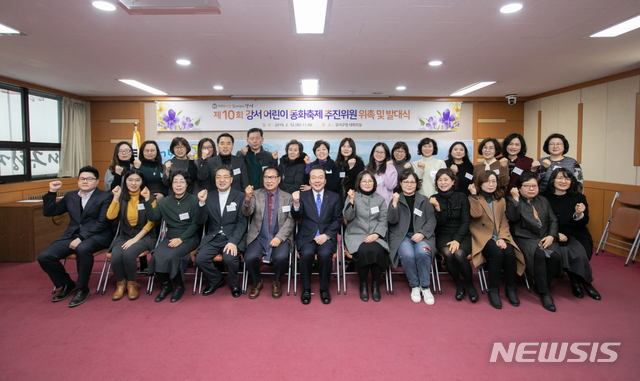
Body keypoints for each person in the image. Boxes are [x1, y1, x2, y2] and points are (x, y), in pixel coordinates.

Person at [38, 166, 114, 308]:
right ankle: (67, 284)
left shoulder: (105, 196)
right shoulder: (70, 196)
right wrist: (52, 192)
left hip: (98, 235)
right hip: (72, 235)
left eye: (89, 179)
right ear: (78, 180)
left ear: (97, 181)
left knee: (82, 249)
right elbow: (50, 212)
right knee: (45, 256)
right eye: (82, 179)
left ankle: (82, 288)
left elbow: (102, 222)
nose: (85, 181)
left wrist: (82, 238)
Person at [506, 172, 562, 312]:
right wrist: (516, 200)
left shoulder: (543, 200)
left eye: (534, 186)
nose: (531, 189)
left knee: (555, 257)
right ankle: (544, 293)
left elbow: (553, 220)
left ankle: (541, 284)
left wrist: (551, 236)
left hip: (544, 237)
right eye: (527, 186)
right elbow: (512, 218)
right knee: (538, 255)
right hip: (525, 238)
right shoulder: (512, 200)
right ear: (519, 188)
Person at [468, 171, 525, 310]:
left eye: (493, 181)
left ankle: (510, 288)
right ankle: (493, 290)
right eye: (487, 181)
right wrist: (474, 195)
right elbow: (475, 215)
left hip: (500, 235)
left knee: (510, 254)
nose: (491, 184)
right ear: (480, 184)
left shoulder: (501, 200)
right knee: (497, 254)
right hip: (482, 236)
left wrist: (502, 238)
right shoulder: (473, 198)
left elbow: (505, 222)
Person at [142, 170, 200, 303]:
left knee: (173, 256)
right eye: (175, 182)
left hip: (189, 237)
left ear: (187, 184)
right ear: (171, 185)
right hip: (170, 236)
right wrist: (147, 200)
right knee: (157, 255)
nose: (178, 185)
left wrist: (181, 239)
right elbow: (153, 217)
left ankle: (179, 286)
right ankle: (166, 285)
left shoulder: (194, 200)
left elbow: (196, 224)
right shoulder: (164, 202)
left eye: (182, 182)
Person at [544, 168, 601, 300]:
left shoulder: (579, 197)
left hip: (577, 233)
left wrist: (579, 214)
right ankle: (582, 282)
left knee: (580, 250)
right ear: (553, 180)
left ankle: (580, 281)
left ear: (571, 181)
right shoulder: (544, 197)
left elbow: (584, 222)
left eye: (567, 178)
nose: (563, 181)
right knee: (567, 250)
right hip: (554, 233)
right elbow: (541, 220)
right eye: (559, 178)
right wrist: (555, 233)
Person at [291, 165, 342, 305]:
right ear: (309, 180)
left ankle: (324, 289)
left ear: (325, 181)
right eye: (314, 178)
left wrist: (326, 235)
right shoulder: (302, 196)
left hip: (326, 237)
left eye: (320, 178)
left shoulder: (334, 197)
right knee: (306, 255)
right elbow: (296, 216)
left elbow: (337, 219)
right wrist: (295, 203)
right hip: (307, 236)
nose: (317, 181)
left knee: (325, 255)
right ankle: (306, 289)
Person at [195, 166, 247, 298]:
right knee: (200, 259)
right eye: (218, 177)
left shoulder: (240, 196)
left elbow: (242, 222)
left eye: (225, 177)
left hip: (232, 237)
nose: (222, 180)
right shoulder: (209, 196)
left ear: (231, 179)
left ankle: (234, 283)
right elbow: (201, 220)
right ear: (215, 180)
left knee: (229, 258)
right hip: (213, 237)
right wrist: (201, 203)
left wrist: (233, 242)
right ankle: (216, 279)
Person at [242, 166, 294, 299]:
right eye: (266, 177)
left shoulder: (287, 197)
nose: (269, 180)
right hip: (259, 236)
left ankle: (277, 281)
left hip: (280, 236)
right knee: (250, 258)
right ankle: (257, 282)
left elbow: (291, 220)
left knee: (282, 258)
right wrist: (247, 198)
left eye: (272, 177)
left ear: (278, 179)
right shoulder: (255, 194)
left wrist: (280, 237)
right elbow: (247, 212)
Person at [105, 169, 157, 301]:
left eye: (137, 180)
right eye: (130, 180)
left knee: (128, 253)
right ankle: (121, 284)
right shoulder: (122, 197)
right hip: (125, 235)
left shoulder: (148, 197)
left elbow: (151, 223)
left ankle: (132, 284)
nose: (133, 183)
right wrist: (115, 198)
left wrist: (135, 239)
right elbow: (110, 216)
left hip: (145, 236)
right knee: (116, 255)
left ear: (142, 182)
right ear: (125, 181)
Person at [388, 171, 437, 305]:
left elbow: (431, 221)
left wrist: (422, 233)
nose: (409, 185)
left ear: (417, 184)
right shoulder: (396, 199)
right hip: (401, 237)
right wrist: (394, 204)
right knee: (407, 254)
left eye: (412, 182)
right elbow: (391, 221)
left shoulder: (424, 200)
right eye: (406, 182)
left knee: (422, 252)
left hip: (422, 236)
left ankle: (425, 287)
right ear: (400, 184)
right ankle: (415, 285)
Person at [429, 168, 478, 302]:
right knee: (448, 253)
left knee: (460, 254)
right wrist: (438, 208)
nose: (443, 183)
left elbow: (466, 221)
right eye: (440, 180)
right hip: (443, 234)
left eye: (446, 180)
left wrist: (457, 239)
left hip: (462, 233)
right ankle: (458, 284)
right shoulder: (433, 199)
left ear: (452, 181)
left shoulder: (462, 196)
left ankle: (469, 284)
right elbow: (440, 224)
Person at [344, 171, 389, 302]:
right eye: (364, 181)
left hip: (376, 235)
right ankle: (363, 284)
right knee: (363, 250)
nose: (367, 183)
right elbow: (348, 217)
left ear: (374, 183)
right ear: (359, 183)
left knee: (377, 250)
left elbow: (383, 220)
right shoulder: (353, 196)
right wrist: (351, 201)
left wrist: (376, 234)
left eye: (370, 181)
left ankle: (375, 284)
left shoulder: (379, 199)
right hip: (356, 234)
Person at [335, 137, 365, 201]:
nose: (346, 149)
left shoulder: (358, 162)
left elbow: (358, 182)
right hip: (339, 199)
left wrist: (351, 168)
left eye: (349, 147)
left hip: (354, 198)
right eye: (343, 146)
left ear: (353, 149)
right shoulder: (337, 164)